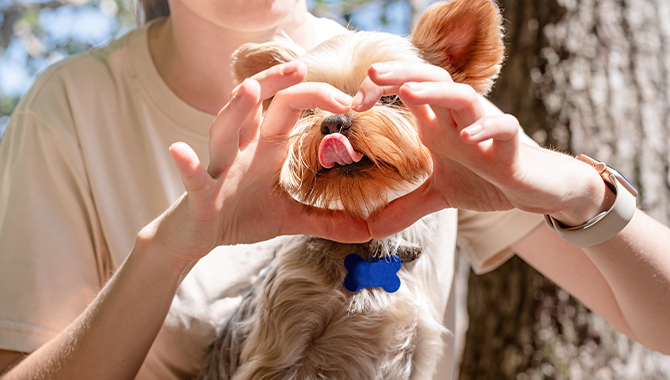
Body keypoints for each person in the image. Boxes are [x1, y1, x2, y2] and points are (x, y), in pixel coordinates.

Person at [0, 0, 669, 377]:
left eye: (382, 102)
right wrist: (173, 245)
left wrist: (579, 192)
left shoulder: (421, 99)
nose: (354, 116)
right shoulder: (73, 108)